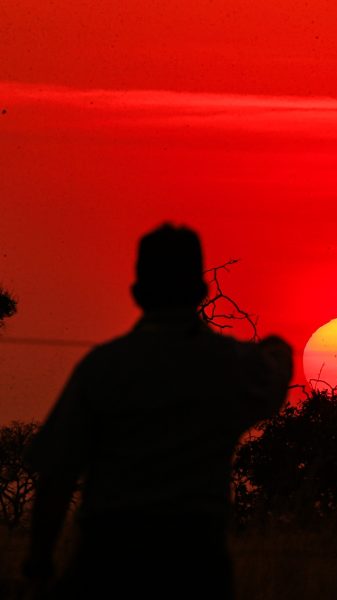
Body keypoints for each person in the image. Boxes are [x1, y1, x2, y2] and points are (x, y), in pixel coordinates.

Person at [21, 224, 293, 599]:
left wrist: (39, 565)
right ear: (201, 291)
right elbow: (275, 379)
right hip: (196, 565)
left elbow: (57, 477)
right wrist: (277, 348)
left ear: (138, 293)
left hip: (108, 561)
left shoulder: (103, 368)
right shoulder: (234, 367)